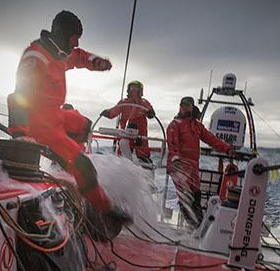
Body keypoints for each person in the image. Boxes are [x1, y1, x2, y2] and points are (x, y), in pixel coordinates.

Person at [7, 10, 130, 225]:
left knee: (83, 124)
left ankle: (64, 166)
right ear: (62, 34)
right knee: (84, 166)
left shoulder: (60, 53)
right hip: (40, 125)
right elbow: (18, 96)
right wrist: (20, 136)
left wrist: (98, 63)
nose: (76, 43)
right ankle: (104, 208)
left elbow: (80, 57)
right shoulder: (36, 57)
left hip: (55, 114)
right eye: (74, 37)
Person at [167, 97, 234, 227]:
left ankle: (198, 225)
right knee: (185, 197)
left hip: (193, 166)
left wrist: (227, 149)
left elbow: (211, 139)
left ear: (192, 107)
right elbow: (172, 143)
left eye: (188, 105)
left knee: (196, 195)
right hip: (179, 166)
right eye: (183, 105)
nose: (185, 107)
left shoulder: (197, 126)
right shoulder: (175, 124)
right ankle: (193, 225)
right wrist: (176, 159)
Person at [100, 81, 155, 163]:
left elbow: (151, 114)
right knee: (124, 143)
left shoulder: (144, 103)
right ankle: (123, 161)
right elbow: (114, 111)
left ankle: (143, 161)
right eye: (132, 87)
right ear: (128, 89)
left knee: (142, 148)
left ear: (140, 90)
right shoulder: (124, 102)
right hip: (125, 132)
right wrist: (108, 113)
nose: (134, 90)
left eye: (136, 87)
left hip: (140, 134)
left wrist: (151, 112)